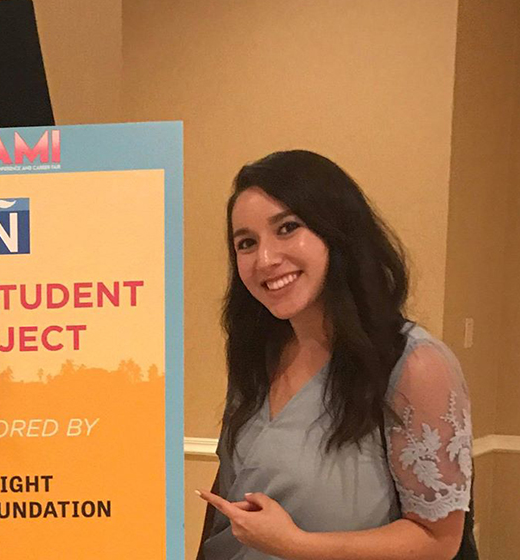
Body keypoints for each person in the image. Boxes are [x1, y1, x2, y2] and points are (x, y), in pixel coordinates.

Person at [196, 150, 474, 559]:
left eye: (288, 228)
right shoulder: (257, 356)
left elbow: (438, 541)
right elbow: (233, 502)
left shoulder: (415, 366)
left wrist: (295, 545)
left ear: (338, 231)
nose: (266, 259)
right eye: (246, 243)